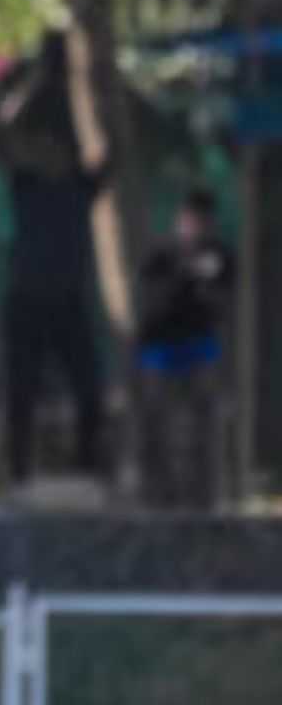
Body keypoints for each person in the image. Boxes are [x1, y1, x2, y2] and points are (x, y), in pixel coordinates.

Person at [0, 35, 108, 485]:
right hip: (26, 301)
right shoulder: (27, 184)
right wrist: (37, 82)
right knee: (21, 393)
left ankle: (86, 469)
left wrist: (85, 81)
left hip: (67, 302)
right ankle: (18, 472)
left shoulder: (81, 185)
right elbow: (0, 132)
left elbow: (107, 146)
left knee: (90, 392)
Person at [136, 187, 233, 507]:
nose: (197, 227)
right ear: (181, 220)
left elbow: (220, 298)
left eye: (203, 222)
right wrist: (183, 273)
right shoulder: (160, 253)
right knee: (156, 426)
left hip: (199, 348)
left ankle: (203, 500)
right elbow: (150, 299)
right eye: (192, 220)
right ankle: (157, 498)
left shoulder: (218, 255)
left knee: (204, 428)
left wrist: (202, 280)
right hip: (160, 349)